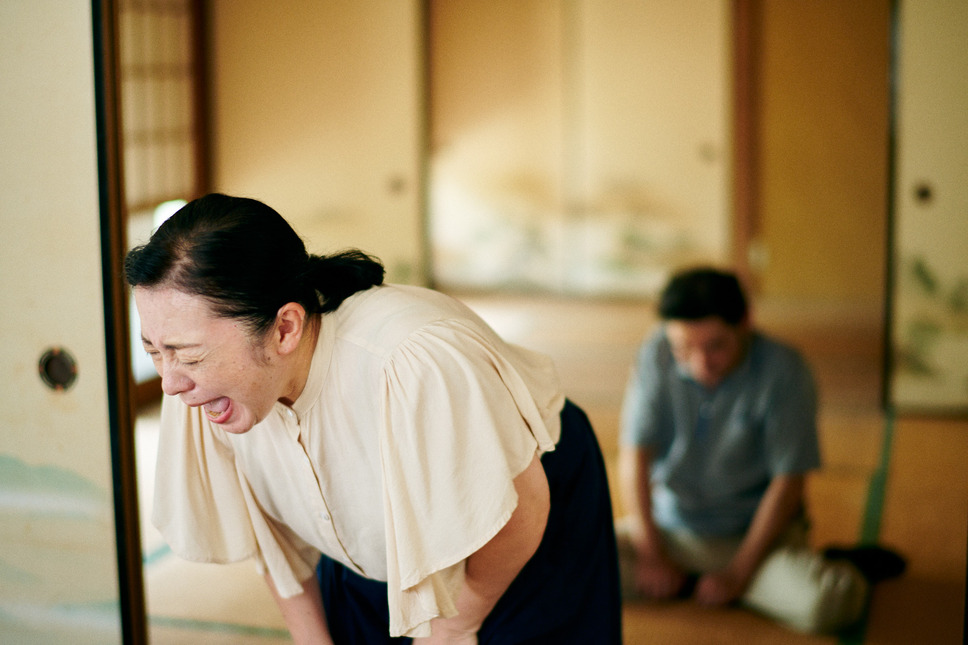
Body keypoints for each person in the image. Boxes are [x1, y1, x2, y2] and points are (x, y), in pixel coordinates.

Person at [124, 193, 622, 644]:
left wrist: (455, 626)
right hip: (367, 537)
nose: (170, 382)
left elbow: (522, 509)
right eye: (153, 351)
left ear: (285, 328)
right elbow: (271, 538)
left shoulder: (410, 363)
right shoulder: (203, 385)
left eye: (188, 355)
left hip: (521, 508)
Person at [618, 267, 876, 634]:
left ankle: (804, 571)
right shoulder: (655, 352)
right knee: (562, 567)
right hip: (671, 530)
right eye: (684, 349)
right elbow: (634, 457)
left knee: (826, 606)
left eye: (715, 346)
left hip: (755, 539)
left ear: (745, 323)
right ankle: (695, 580)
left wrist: (738, 574)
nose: (700, 364)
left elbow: (789, 482)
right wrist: (651, 555)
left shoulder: (784, 370)